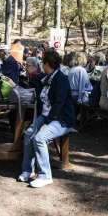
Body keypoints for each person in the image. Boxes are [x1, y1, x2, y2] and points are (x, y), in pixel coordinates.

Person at [18, 48, 75, 188]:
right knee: (28, 134)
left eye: (43, 63)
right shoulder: (48, 77)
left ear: (48, 63)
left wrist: (47, 122)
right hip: (46, 116)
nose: (42, 65)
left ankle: (45, 176)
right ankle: (27, 170)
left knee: (40, 138)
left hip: (61, 119)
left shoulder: (61, 79)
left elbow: (59, 104)